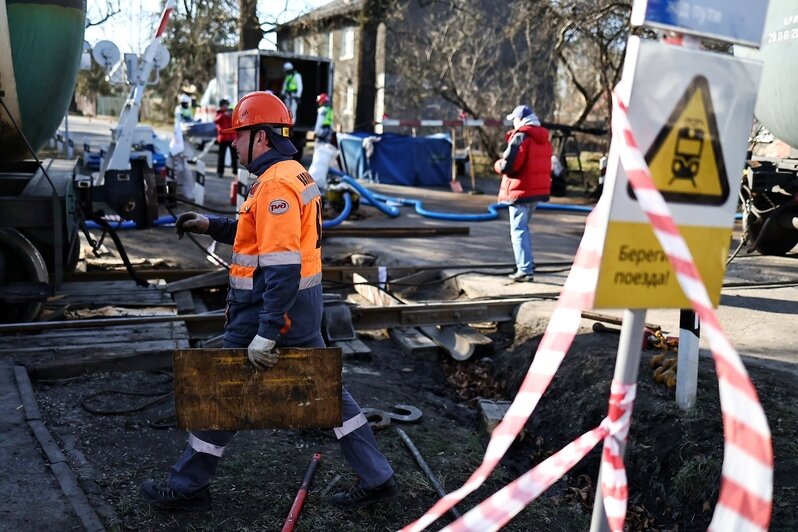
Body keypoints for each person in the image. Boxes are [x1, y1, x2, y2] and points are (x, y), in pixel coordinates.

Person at [139, 91, 397, 513]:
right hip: (300, 312)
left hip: (269, 313)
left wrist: (266, 331)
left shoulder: (275, 183)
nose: (232, 145)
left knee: (223, 394)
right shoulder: (292, 174)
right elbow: (259, 236)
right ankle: (378, 476)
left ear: (260, 137)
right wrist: (210, 225)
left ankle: (186, 486)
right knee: (330, 397)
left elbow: (281, 266)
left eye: (237, 137)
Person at [493, 104, 552, 283]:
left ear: (521, 120)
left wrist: (497, 165)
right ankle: (526, 262)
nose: (514, 124)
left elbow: (510, 166)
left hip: (520, 191)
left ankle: (524, 269)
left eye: (515, 120)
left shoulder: (521, 137)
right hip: (536, 192)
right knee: (524, 228)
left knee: (518, 230)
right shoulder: (543, 138)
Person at [214, 98, 238, 177]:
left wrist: (231, 114)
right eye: (224, 105)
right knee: (221, 156)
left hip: (231, 137)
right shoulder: (219, 113)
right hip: (223, 137)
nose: (226, 107)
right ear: (221, 106)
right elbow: (216, 121)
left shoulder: (231, 113)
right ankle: (220, 172)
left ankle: (235, 171)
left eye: (226, 105)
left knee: (234, 156)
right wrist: (224, 115)